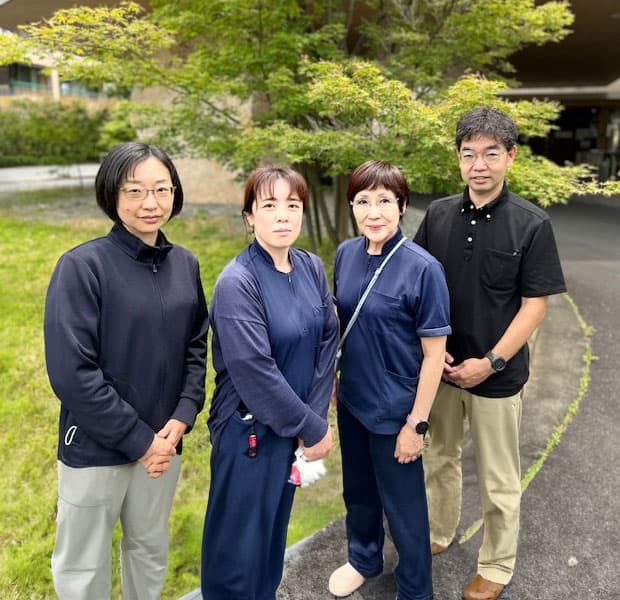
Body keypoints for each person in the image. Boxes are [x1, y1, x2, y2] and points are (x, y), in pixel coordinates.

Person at [44, 142, 209, 600]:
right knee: (83, 564)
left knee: (149, 549)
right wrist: (140, 441)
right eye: (134, 191)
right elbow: (72, 372)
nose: (150, 202)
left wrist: (184, 414)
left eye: (162, 189)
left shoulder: (185, 264)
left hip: (165, 442)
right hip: (97, 445)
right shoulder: (82, 267)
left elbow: (197, 345)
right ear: (112, 195)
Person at [414, 106, 567, 600]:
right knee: (439, 457)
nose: (478, 165)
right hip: (441, 368)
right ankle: (439, 531)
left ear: (510, 157)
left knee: (498, 478)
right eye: (468, 154)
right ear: (458, 159)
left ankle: (497, 564)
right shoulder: (437, 216)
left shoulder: (532, 223)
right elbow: (417, 286)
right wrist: (432, 353)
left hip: (497, 374)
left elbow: (534, 306)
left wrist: (492, 362)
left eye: (490, 154)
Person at [200, 166, 338, 599]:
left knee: (271, 540)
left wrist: (312, 420)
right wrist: (312, 427)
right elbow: (254, 371)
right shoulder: (238, 283)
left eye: (293, 205)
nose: (283, 215)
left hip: (291, 430)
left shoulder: (310, 266)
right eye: (270, 205)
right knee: (237, 549)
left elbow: (327, 340)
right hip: (249, 433)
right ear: (249, 216)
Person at [328, 160, 451, 600]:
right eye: (363, 201)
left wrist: (416, 423)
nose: (374, 212)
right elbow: (343, 323)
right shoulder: (346, 254)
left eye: (384, 200)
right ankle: (364, 558)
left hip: (397, 409)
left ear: (402, 205)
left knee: (404, 508)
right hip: (352, 399)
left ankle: (416, 589)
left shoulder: (423, 268)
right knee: (358, 491)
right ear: (352, 207)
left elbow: (434, 356)